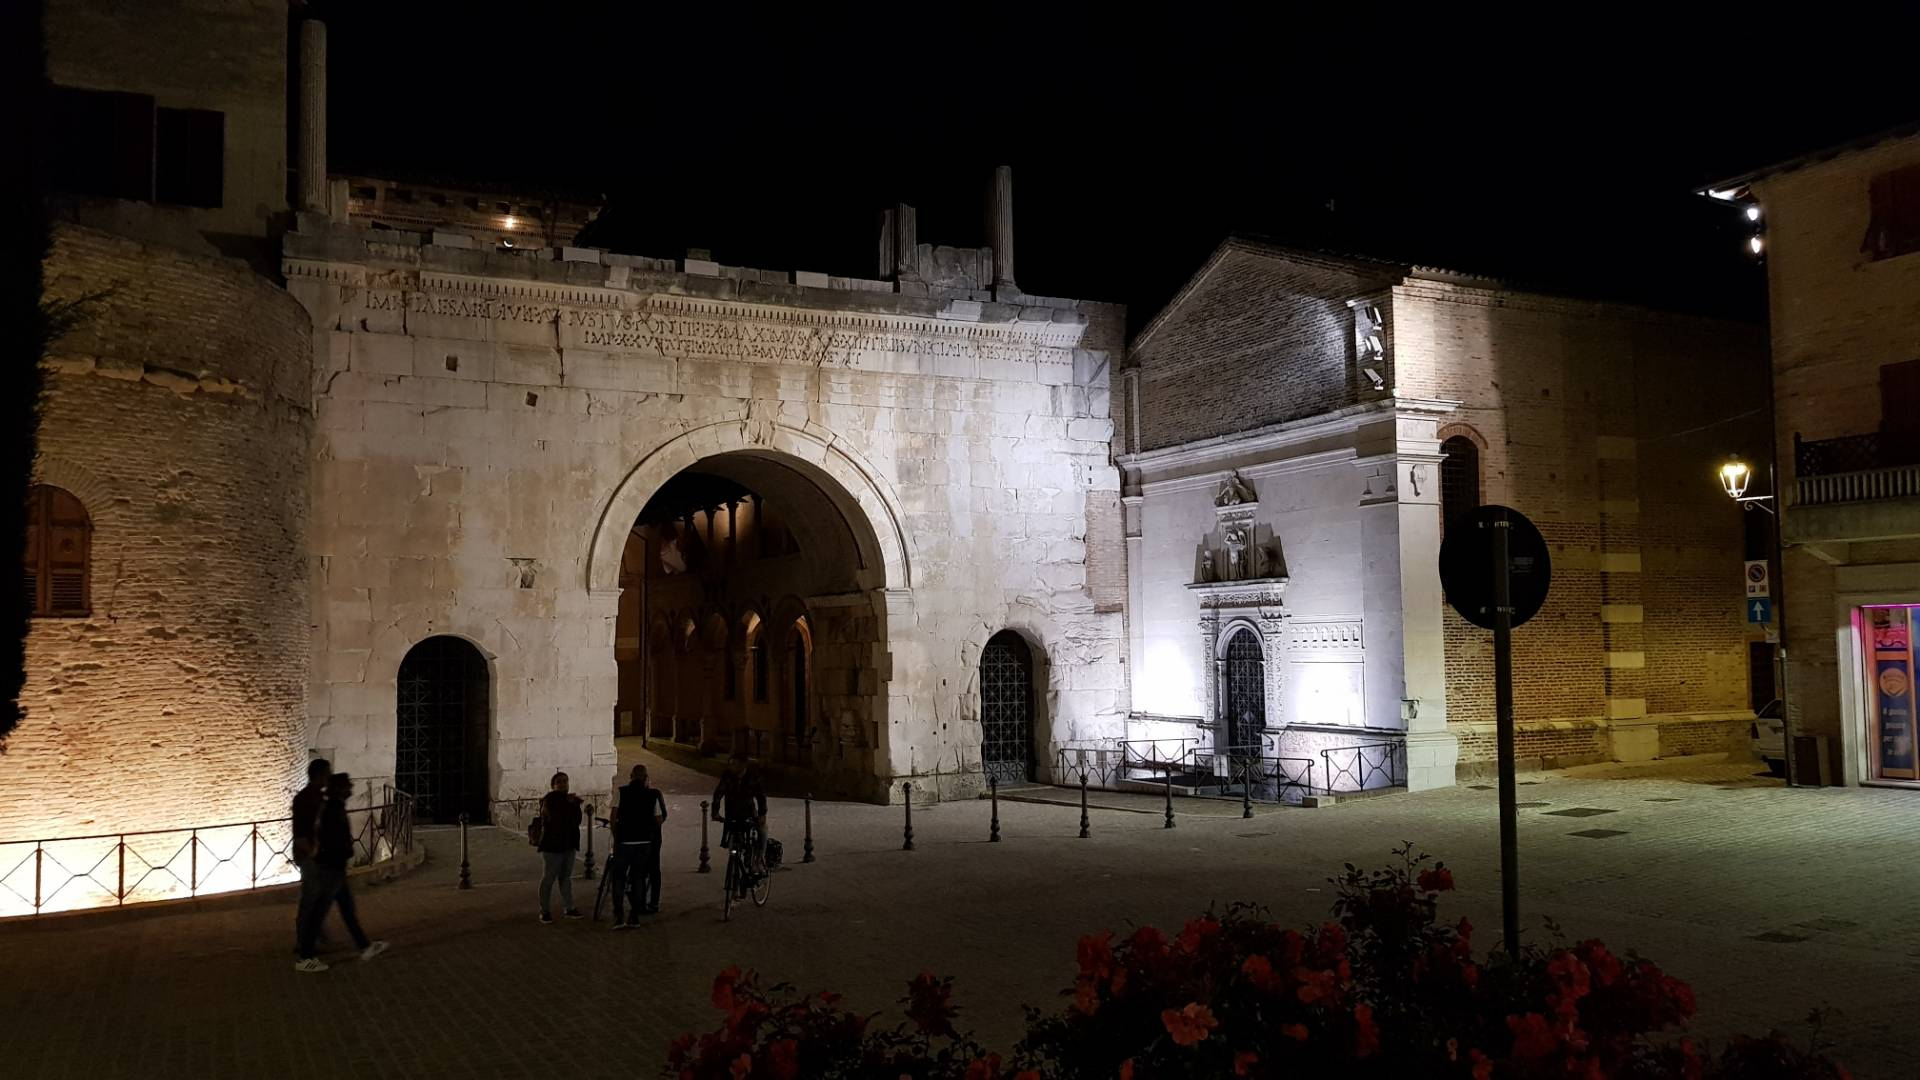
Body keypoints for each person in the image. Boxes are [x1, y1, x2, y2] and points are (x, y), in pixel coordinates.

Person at [295, 773, 388, 972]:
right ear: (340, 789)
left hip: (334, 867)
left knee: (347, 910)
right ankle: (305, 957)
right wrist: (344, 852)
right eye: (348, 786)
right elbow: (331, 838)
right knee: (319, 913)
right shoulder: (332, 810)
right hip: (331, 868)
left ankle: (365, 946)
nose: (352, 789)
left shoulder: (332, 807)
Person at [608, 763, 668, 927]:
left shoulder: (621, 792)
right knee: (638, 878)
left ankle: (618, 916)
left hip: (625, 841)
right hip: (644, 842)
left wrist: (616, 835)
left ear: (631, 777)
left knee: (619, 878)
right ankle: (634, 915)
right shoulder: (651, 795)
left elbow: (613, 816)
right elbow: (658, 819)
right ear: (645, 778)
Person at [290, 757, 330, 954]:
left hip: (317, 854)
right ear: (320, 775)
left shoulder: (318, 798)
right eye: (327, 774)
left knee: (318, 896)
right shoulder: (305, 799)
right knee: (311, 896)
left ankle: (313, 934)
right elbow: (300, 832)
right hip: (309, 855)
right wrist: (312, 851)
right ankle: (305, 940)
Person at [536, 770, 585, 924]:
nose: (563, 784)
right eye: (559, 782)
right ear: (553, 785)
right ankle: (544, 910)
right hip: (552, 845)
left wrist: (573, 804)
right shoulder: (549, 800)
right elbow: (554, 820)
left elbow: (576, 820)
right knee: (548, 878)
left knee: (565, 877)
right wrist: (568, 804)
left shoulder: (572, 800)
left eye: (565, 781)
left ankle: (569, 907)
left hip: (568, 844)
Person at [711, 751, 768, 883]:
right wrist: (715, 812)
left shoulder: (753, 777)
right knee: (733, 846)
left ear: (743, 765)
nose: (732, 767)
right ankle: (735, 878)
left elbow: (761, 796)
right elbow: (719, 793)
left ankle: (758, 860)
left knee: (762, 831)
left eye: (735, 764)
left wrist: (762, 814)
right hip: (732, 814)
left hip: (749, 813)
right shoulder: (728, 776)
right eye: (731, 764)